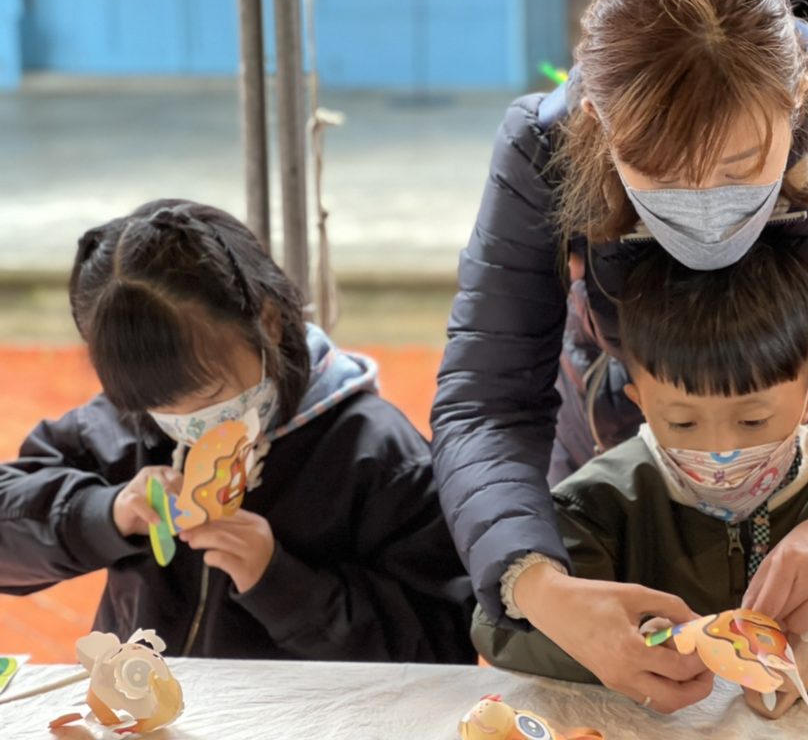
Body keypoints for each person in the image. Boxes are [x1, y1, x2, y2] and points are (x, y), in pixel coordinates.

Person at [432, 0, 808, 712]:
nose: (706, 207)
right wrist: (538, 584)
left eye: (743, 168)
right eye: (658, 173)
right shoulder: (543, 146)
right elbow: (484, 402)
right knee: (625, 663)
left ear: (798, 104)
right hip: (619, 446)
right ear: (597, 120)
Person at [471, 243, 808, 717]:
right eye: (681, 421)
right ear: (638, 401)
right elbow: (496, 627)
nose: (718, 449)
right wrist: (604, 643)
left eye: (754, 420)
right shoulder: (601, 501)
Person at [0, 199, 475, 664]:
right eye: (159, 401)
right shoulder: (123, 424)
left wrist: (279, 582)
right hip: (145, 713)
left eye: (207, 392)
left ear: (267, 322)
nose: (185, 418)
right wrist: (106, 513)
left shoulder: (374, 454)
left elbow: (440, 646)